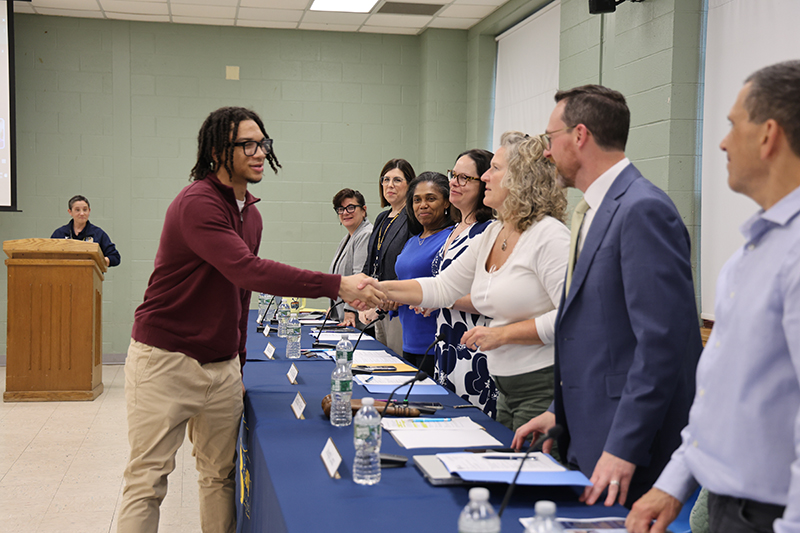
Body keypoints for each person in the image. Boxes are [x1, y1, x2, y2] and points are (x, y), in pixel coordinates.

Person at [118, 107, 383, 533]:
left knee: (218, 476)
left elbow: (241, 295)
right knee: (146, 482)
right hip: (165, 360)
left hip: (220, 369)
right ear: (219, 149)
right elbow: (248, 271)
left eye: (263, 143)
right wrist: (336, 285)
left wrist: (238, 363)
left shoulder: (251, 214)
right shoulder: (197, 203)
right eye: (248, 144)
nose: (259, 152)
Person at [626, 61, 800, 533]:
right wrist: (674, 481)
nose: (722, 142)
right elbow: (723, 392)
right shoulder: (756, 246)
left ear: (768, 135)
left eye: (731, 125)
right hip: (726, 501)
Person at [511, 85, 702, 508]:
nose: (545, 152)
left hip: (628, 448)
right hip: (589, 429)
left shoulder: (642, 209)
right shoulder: (593, 210)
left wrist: (625, 447)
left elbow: (661, 345)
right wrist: (561, 413)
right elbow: (593, 331)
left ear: (579, 135)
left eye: (549, 138)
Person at [362, 133, 570, 431]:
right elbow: (442, 286)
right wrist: (376, 289)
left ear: (523, 178)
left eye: (494, 169)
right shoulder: (493, 233)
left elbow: (572, 316)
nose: (485, 176)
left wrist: (504, 334)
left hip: (540, 388)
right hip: (503, 386)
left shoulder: (549, 236)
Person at [433, 149, 498, 417]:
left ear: (483, 183)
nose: (454, 182)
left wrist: (437, 297)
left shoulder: (488, 231)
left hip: (474, 348)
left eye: (464, 177)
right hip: (446, 341)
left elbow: (491, 299)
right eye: (453, 174)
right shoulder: (455, 229)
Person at [393, 171, 454, 376]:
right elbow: (406, 283)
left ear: (446, 202)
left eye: (431, 198)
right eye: (417, 200)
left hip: (435, 342)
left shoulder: (451, 239)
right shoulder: (413, 241)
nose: (422, 205)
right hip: (408, 339)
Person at [361, 159, 415, 355]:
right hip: (376, 303)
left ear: (410, 185)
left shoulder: (412, 218)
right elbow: (371, 260)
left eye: (397, 180)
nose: (390, 185)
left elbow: (410, 265)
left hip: (397, 305)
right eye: (386, 179)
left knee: (396, 361)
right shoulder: (382, 218)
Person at [328, 188, 373, 327]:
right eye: (341, 209)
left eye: (351, 207)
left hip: (358, 320)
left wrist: (349, 310)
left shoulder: (366, 234)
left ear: (363, 210)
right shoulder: (348, 237)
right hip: (345, 317)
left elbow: (359, 277)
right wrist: (334, 308)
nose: (345, 212)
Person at [51, 195, 120, 267]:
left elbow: (115, 257)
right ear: (70, 212)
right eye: (77, 210)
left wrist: (101, 261)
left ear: (89, 211)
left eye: (85, 210)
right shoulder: (59, 234)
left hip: (90, 276)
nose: (82, 213)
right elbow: (49, 256)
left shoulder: (98, 233)